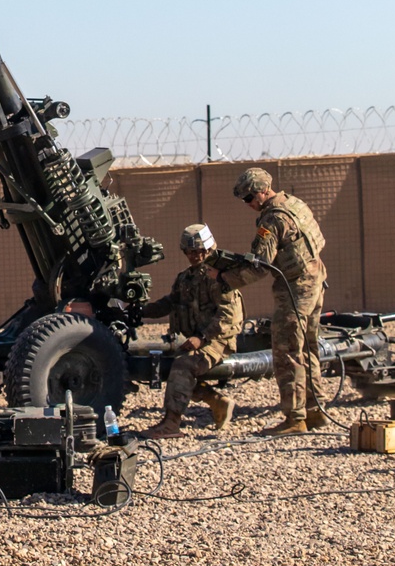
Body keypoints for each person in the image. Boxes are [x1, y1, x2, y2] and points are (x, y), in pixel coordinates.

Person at [221, 166, 328, 436]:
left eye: (248, 199)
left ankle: (295, 418)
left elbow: (259, 266)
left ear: (260, 193)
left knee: (287, 352)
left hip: (295, 289)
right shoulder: (295, 204)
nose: (248, 205)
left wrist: (225, 279)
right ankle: (316, 411)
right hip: (315, 279)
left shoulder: (271, 220)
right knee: (309, 348)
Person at [140, 223, 244, 439]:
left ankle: (171, 423)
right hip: (198, 340)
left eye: (200, 251)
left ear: (209, 249)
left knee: (183, 365)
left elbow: (228, 316)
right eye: (190, 251)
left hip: (217, 341)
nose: (195, 256)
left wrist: (202, 337)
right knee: (172, 366)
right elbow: (171, 302)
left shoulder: (220, 278)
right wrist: (140, 311)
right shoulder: (186, 278)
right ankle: (217, 403)